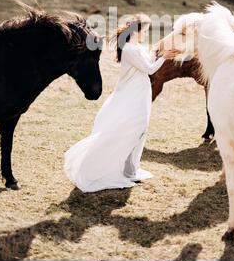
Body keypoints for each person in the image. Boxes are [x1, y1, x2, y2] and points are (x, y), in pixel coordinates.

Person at [64, 13, 178, 192]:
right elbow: (149, 69)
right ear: (137, 31)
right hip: (132, 95)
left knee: (141, 131)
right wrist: (165, 57)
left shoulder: (136, 47)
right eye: (145, 30)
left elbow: (148, 59)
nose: (146, 34)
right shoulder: (130, 50)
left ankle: (130, 169)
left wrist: (160, 51)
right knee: (133, 129)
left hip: (140, 93)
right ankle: (114, 168)